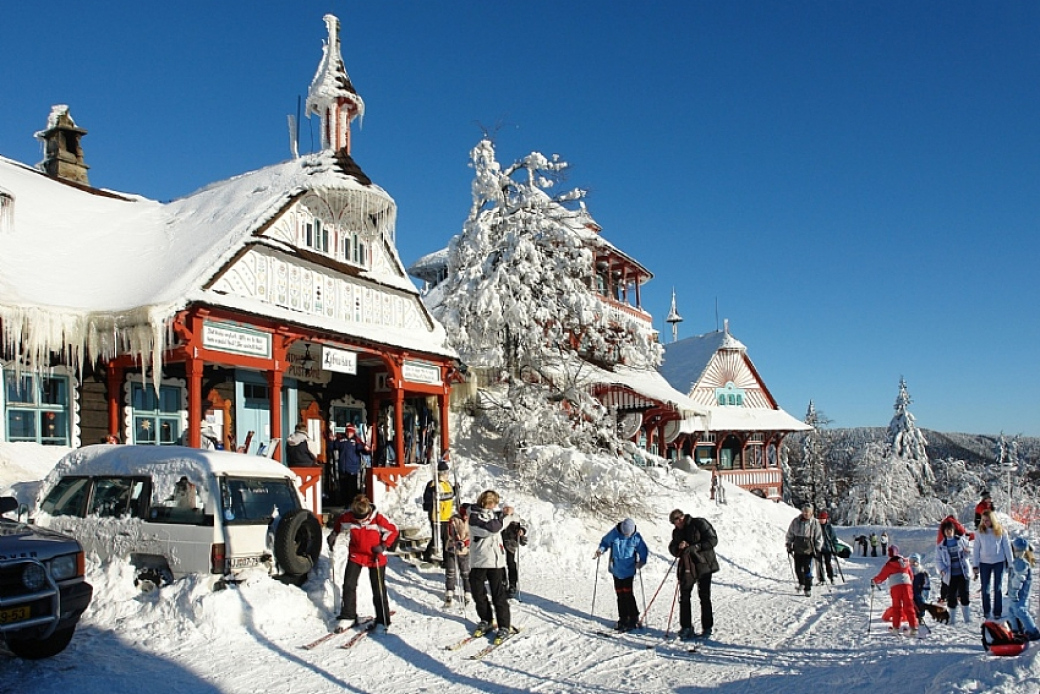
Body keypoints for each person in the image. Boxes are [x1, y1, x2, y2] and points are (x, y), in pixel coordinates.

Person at [327, 495, 399, 633]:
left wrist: (383, 545)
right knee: (349, 584)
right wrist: (334, 535)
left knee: (378, 588)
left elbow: (393, 531)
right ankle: (348, 616)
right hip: (356, 555)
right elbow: (339, 525)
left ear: (368, 512)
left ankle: (382, 620)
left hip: (375, 556)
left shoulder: (378, 519)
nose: (360, 522)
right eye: (357, 520)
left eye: (363, 519)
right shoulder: (348, 517)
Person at [468, 489, 514, 643]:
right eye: (490, 503)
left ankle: (504, 625)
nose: (492, 506)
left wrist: (508, 513)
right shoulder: (474, 515)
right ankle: (486, 619)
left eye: (494, 503)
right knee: (478, 593)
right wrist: (504, 518)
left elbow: (511, 518)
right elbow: (491, 529)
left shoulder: (495, 514)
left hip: (495, 561)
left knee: (498, 594)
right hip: (479, 560)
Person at [668, 508, 719, 640]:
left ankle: (707, 627)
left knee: (704, 596)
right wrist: (678, 548)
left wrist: (696, 547)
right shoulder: (676, 532)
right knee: (684, 596)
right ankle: (686, 627)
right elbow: (672, 548)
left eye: (677, 522)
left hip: (704, 565)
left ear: (682, 517)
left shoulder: (700, 523)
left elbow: (713, 540)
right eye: (674, 524)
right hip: (687, 567)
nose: (676, 525)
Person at [596, 518, 649, 632]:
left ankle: (633, 617)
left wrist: (642, 561)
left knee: (628, 594)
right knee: (620, 594)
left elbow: (643, 550)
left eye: (628, 534)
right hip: (616, 569)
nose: (627, 535)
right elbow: (605, 542)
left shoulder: (636, 537)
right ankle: (623, 618)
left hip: (629, 570)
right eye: (625, 533)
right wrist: (601, 550)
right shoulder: (614, 533)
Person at [971, 509, 1014, 620]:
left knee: (997, 588)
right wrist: (975, 565)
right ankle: (986, 611)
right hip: (984, 563)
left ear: (993, 520)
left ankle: (997, 611)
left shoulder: (1000, 531)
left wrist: (1011, 563)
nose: (986, 522)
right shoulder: (980, 532)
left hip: (998, 562)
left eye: (988, 520)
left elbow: (1007, 547)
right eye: (984, 520)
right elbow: (976, 549)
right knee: (985, 589)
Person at [872, 545, 921, 636]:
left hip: (896, 587)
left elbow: (881, 577)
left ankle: (896, 628)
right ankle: (914, 628)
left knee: (897, 607)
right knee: (909, 606)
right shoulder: (905, 562)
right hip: (907, 586)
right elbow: (911, 576)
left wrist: (874, 581)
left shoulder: (889, 564)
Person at [935, 518, 972, 624]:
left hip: (963, 573)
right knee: (951, 596)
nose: (948, 532)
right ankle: (952, 619)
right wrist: (942, 570)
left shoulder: (961, 541)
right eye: (946, 530)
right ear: (944, 532)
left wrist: (967, 552)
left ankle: (967, 618)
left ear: (954, 530)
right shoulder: (941, 546)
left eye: (950, 529)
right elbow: (938, 560)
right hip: (950, 575)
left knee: (964, 595)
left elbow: (970, 552)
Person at [422, 457, 455, 562]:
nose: (446, 474)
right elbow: (434, 497)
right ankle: (427, 554)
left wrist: (455, 490)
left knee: (446, 538)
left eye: (447, 472)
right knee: (437, 537)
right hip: (437, 515)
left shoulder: (448, 483)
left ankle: (446, 559)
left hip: (447, 515)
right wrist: (452, 494)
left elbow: (449, 495)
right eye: (444, 472)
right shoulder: (433, 484)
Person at [1006, 536, 1039, 640]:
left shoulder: (1021, 563)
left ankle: (1033, 631)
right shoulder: (1017, 561)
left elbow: (1019, 579)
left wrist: (1014, 592)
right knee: (1012, 610)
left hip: (1020, 593)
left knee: (1020, 610)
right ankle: (1015, 630)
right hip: (1014, 592)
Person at [786, 504, 823, 597]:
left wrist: (817, 548)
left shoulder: (815, 523)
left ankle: (808, 588)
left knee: (807, 569)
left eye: (808, 512)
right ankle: (801, 583)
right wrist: (789, 543)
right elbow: (790, 533)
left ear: (811, 513)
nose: (806, 513)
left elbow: (819, 537)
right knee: (798, 569)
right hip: (798, 548)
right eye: (804, 511)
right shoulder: (796, 521)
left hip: (809, 549)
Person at [443, 502, 471, 607]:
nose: (465, 516)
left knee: (465, 572)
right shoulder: (454, 519)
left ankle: (467, 591)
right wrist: (455, 538)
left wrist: (464, 542)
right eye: (464, 514)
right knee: (451, 571)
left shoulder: (471, 521)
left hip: (464, 550)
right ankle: (450, 590)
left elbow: (470, 534)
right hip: (452, 548)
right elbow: (450, 532)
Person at [333, 424, 369, 506]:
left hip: (353, 468)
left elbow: (363, 450)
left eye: (351, 432)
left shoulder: (356, 440)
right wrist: (331, 440)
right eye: (348, 432)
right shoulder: (341, 440)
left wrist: (366, 449)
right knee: (343, 487)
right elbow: (333, 446)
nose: (349, 434)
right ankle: (344, 504)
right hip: (343, 467)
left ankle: (352, 504)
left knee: (352, 487)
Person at [501, 503, 527, 599]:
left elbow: (524, 526)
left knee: (510, 563)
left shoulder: (516, 518)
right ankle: (503, 581)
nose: (507, 510)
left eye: (509, 508)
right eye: (506, 508)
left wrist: (522, 531)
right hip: (499, 542)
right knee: (499, 562)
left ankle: (512, 585)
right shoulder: (498, 516)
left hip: (511, 543)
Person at [815, 511, 838, 585]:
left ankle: (831, 577)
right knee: (819, 564)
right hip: (818, 548)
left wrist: (835, 548)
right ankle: (821, 579)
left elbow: (834, 538)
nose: (821, 520)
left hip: (827, 548)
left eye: (823, 519)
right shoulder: (816, 526)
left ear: (826, 519)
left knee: (828, 563)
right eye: (820, 518)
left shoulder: (829, 527)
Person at [908, 553, 931, 621]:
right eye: (911, 561)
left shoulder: (922, 572)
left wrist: (926, 592)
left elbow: (926, 583)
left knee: (920, 601)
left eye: (915, 561)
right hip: (909, 591)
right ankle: (912, 616)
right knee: (910, 603)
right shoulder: (907, 571)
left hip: (919, 591)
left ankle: (920, 614)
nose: (913, 563)